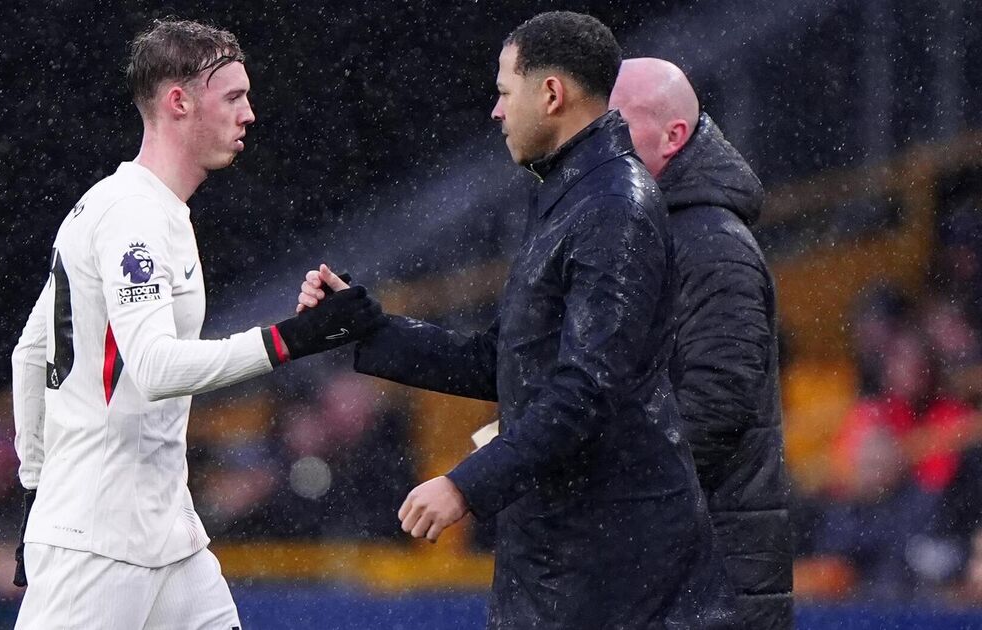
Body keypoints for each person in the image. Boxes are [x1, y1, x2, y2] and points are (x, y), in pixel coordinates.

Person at [300, 12, 725, 629]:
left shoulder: (613, 208)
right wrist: (365, 327)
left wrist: (466, 486)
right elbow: (503, 361)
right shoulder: (571, 197)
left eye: (504, 91)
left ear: (551, 94)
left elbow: (589, 388)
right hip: (574, 550)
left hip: (612, 562)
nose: (497, 111)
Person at [9, 19, 383, 629]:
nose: (249, 114)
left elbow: (29, 354)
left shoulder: (123, 205)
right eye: (234, 96)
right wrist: (293, 339)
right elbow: (154, 368)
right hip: (101, 540)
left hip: (164, 536)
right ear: (179, 102)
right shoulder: (133, 215)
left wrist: (35, 487)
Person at [607, 58, 793, 628]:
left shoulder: (712, 244)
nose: (598, 142)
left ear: (674, 136)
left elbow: (716, 407)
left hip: (713, 586)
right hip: (679, 572)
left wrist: (594, 480)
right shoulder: (653, 230)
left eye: (617, 124)